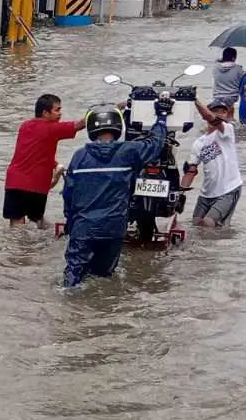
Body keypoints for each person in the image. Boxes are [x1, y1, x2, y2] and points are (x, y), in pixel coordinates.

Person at [61, 106, 170, 289]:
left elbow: (68, 194)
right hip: (114, 227)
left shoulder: (79, 156)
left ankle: (69, 302)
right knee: (104, 277)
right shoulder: (128, 152)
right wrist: (161, 118)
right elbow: (154, 145)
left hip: (84, 227)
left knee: (73, 276)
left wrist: (70, 223)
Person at [3, 93, 83, 227]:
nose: (60, 114)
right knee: (37, 221)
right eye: (57, 110)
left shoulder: (25, 126)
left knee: (16, 225)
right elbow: (80, 124)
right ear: (45, 113)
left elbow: (32, 153)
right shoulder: (51, 128)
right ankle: (54, 237)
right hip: (35, 184)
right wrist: (110, 111)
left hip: (14, 182)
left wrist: (55, 164)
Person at [182, 97, 243, 226]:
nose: (220, 114)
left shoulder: (227, 130)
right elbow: (191, 171)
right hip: (207, 193)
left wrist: (195, 100)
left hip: (229, 189)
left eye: (223, 111)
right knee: (196, 224)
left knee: (209, 222)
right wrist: (180, 193)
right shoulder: (199, 143)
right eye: (216, 110)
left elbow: (212, 119)